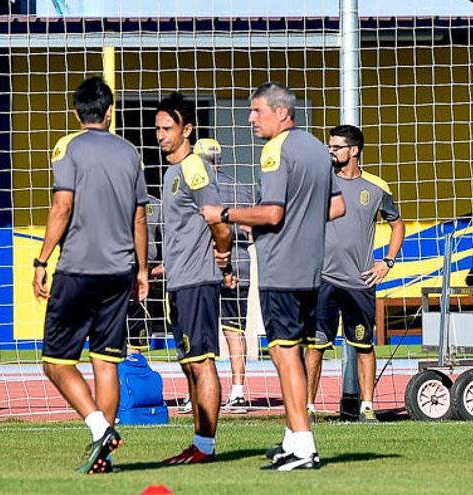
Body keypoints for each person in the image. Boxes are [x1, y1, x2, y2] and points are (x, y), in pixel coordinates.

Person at [201, 82, 345, 471]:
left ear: (282, 112)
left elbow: (273, 214)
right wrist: (300, 222)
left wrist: (226, 214)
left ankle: (304, 446)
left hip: (281, 268)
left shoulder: (275, 151)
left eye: (257, 111)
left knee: (284, 354)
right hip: (311, 268)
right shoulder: (317, 148)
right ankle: (291, 438)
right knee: (293, 352)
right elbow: (337, 206)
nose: (250, 118)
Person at [32, 76, 149, 475]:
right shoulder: (130, 152)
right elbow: (139, 215)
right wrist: (143, 269)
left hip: (79, 268)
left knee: (55, 362)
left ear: (76, 111)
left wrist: (41, 260)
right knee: (106, 362)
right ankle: (106, 454)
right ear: (110, 110)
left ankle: (101, 429)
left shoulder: (70, 146)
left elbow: (62, 205)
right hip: (119, 271)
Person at [305, 124, 405, 423]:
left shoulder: (376, 187)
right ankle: (307, 407)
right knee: (316, 345)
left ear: (354, 151)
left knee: (363, 345)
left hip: (360, 281)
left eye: (336, 146)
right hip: (322, 279)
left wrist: (387, 261)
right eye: (329, 145)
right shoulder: (320, 181)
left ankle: (366, 407)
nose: (330, 150)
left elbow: (397, 224)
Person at [156, 92, 235, 465]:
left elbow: (217, 218)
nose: (160, 134)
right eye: (157, 128)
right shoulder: (172, 172)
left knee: (202, 361)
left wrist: (223, 256)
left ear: (187, 129)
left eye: (167, 128)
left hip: (197, 280)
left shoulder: (194, 167)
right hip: (179, 280)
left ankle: (206, 446)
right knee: (189, 361)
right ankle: (197, 443)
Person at [194, 137, 254, 414]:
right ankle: (238, 391)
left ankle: (200, 392)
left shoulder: (196, 187)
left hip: (207, 262)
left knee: (202, 329)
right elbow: (251, 230)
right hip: (240, 260)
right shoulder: (240, 188)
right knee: (234, 329)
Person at [126, 194, 162, 353]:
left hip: (144, 277)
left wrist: (160, 268)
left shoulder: (156, 205)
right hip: (114, 272)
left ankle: (134, 366)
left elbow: (168, 240)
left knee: (137, 336)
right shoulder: (109, 199)